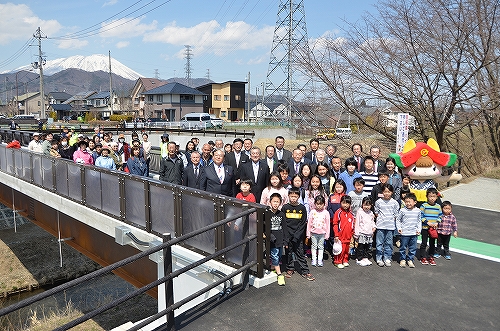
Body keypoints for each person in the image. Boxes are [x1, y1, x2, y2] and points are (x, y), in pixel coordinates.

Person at [283, 187, 314, 281]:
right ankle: (290, 268)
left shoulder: (302, 208)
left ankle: (305, 271)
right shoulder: (285, 207)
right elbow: (284, 223)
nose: (293, 198)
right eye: (291, 196)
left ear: (298, 197)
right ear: (288, 196)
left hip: (298, 236)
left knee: (300, 253)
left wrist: (296, 236)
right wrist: (287, 236)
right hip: (288, 236)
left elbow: (302, 224)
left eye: (295, 196)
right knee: (289, 253)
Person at [374, 183, 399, 267]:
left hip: (390, 226)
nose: (387, 193)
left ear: (392, 192)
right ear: (382, 192)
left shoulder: (395, 203)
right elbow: (376, 213)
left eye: (389, 192)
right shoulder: (378, 202)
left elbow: (396, 215)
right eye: (385, 191)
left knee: (389, 243)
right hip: (380, 226)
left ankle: (387, 257)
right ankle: (379, 258)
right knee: (379, 243)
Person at [266, 193, 288, 286]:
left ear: (280, 203)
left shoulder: (281, 214)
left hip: (280, 238)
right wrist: (270, 236)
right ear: (270, 202)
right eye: (274, 201)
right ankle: (279, 274)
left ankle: (272, 267)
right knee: (274, 255)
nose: (275, 204)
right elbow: (265, 227)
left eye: (277, 202)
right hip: (272, 239)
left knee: (279, 255)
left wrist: (286, 240)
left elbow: (285, 227)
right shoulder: (267, 214)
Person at [397, 193, 421, 268]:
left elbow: (419, 221)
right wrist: (399, 228)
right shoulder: (402, 210)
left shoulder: (418, 211)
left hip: (414, 233)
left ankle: (410, 259)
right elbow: (398, 220)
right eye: (406, 201)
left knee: (413, 248)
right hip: (405, 233)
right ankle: (402, 259)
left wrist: (418, 229)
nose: (407, 203)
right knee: (403, 247)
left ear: (415, 202)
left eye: (409, 201)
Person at [419, 188, 442, 266]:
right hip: (425, 228)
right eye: (430, 196)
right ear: (427, 196)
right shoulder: (423, 206)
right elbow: (420, 216)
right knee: (424, 243)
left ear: (436, 197)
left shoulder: (438, 206)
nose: (432, 198)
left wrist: (437, 222)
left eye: (434, 196)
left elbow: (440, 216)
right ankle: (423, 257)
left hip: (433, 228)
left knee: (432, 243)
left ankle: (431, 256)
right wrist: (427, 222)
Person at [306, 195, 330, 267]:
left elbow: (328, 224)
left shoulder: (326, 212)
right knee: (313, 246)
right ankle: (314, 259)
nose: (319, 206)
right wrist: (308, 234)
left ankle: (320, 260)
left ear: (324, 204)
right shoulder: (312, 212)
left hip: (322, 233)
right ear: (315, 204)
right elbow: (309, 223)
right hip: (313, 232)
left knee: (321, 246)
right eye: (317, 204)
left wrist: (327, 234)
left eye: (321, 204)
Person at [332, 195, 354, 269]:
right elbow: (335, 224)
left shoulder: (351, 214)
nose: (345, 205)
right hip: (340, 236)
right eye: (343, 203)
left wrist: (352, 233)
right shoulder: (338, 212)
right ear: (340, 203)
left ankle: (345, 260)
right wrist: (336, 234)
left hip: (348, 236)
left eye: (347, 203)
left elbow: (352, 224)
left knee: (346, 249)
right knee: (339, 249)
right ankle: (337, 261)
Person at [354, 197, 376, 266]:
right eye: (365, 205)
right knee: (361, 247)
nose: (366, 207)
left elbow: (372, 221)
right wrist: (356, 234)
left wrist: (374, 227)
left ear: (371, 205)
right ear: (362, 205)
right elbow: (357, 223)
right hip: (361, 233)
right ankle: (359, 258)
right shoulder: (360, 212)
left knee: (367, 247)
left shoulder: (371, 213)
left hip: (369, 233)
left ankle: (365, 257)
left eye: (368, 205)